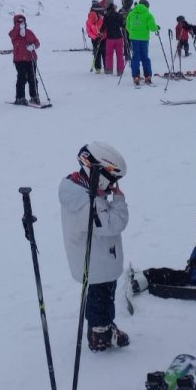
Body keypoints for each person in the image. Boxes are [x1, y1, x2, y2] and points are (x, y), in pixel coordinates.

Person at [59, 141, 131, 352]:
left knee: (100, 298)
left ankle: (102, 325)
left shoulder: (79, 191)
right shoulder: (84, 204)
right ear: (98, 175)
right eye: (112, 181)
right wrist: (118, 201)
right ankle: (100, 334)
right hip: (96, 264)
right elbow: (115, 223)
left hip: (97, 260)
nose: (113, 187)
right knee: (101, 300)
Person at [124, 0, 159, 86]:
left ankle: (136, 76)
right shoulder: (148, 14)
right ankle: (147, 76)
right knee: (145, 57)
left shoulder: (131, 13)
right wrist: (157, 27)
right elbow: (152, 27)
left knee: (136, 56)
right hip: (144, 38)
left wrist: (133, 32)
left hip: (134, 38)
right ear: (147, 6)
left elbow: (127, 26)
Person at [9, 14, 41, 105]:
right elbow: (12, 36)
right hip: (19, 59)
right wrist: (18, 28)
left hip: (31, 58)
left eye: (23, 21)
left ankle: (34, 96)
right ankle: (20, 97)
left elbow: (37, 42)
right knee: (22, 77)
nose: (21, 23)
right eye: (19, 22)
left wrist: (33, 46)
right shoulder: (13, 33)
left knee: (33, 78)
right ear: (15, 23)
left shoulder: (29, 32)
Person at [101, 3, 126, 77]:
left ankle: (109, 70)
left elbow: (103, 27)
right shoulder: (119, 15)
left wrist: (100, 32)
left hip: (110, 38)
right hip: (119, 37)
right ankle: (120, 71)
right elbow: (123, 25)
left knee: (109, 55)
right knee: (120, 55)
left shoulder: (106, 16)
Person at [85, 1, 104, 73]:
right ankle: (97, 68)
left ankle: (106, 67)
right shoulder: (88, 21)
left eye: (95, 21)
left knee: (104, 52)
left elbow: (104, 29)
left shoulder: (101, 19)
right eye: (92, 21)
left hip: (102, 38)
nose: (94, 22)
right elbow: (89, 32)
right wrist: (95, 37)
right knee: (96, 52)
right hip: (94, 39)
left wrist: (102, 35)